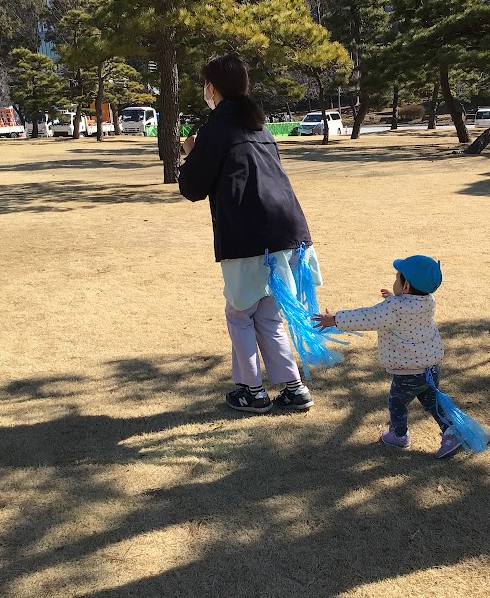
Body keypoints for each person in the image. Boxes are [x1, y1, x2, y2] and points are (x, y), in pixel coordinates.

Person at [179, 55, 318, 415]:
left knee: (240, 312)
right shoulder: (258, 124)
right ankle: (294, 388)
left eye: (205, 84)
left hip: (247, 235)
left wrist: (190, 154)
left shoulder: (219, 126)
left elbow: (192, 187)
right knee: (269, 313)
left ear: (213, 87)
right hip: (286, 230)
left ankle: (252, 391)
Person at [313, 255, 462, 458]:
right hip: (431, 368)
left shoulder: (392, 308)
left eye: (397, 277)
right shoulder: (428, 301)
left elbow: (366, 317)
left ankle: (399, 436)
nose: (394, 281)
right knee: (431, 400)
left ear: (406, 286)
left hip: (407, 373)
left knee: (397, 403)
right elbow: (408, 308)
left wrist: (334, 319)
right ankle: (451, 432)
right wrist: (395, 297)